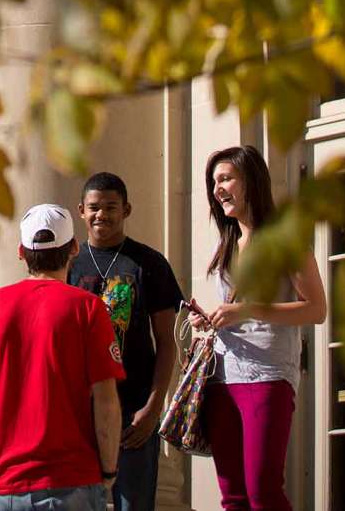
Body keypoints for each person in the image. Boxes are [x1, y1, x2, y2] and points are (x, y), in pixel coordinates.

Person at [0, 203, 125, 511]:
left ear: (21, 251)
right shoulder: (88, 308)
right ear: (74, 247)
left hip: (4, 489)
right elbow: (106, 402)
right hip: (70, 480)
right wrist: (109, 469)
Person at [188, 145, 327, 511]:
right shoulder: (227, 243)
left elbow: (316, 309)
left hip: (267, 376)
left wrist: (248, 310)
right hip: (221, 379)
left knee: (263, 492)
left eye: (226, 178)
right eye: (213, 182)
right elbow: (234, 313)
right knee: (232, 497)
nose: (217, 189)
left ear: (251, 181)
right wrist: (209, 319)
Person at [68, 172, 184, 511]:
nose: (101, 214)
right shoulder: (69, 264)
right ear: (80, 211)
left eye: (110, 207)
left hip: (134, 413)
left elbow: (166, 342)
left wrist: (153, 407)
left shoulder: (149, 263)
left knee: (133, 504)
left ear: (127, 209)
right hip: (81, 411)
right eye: (94, 207)